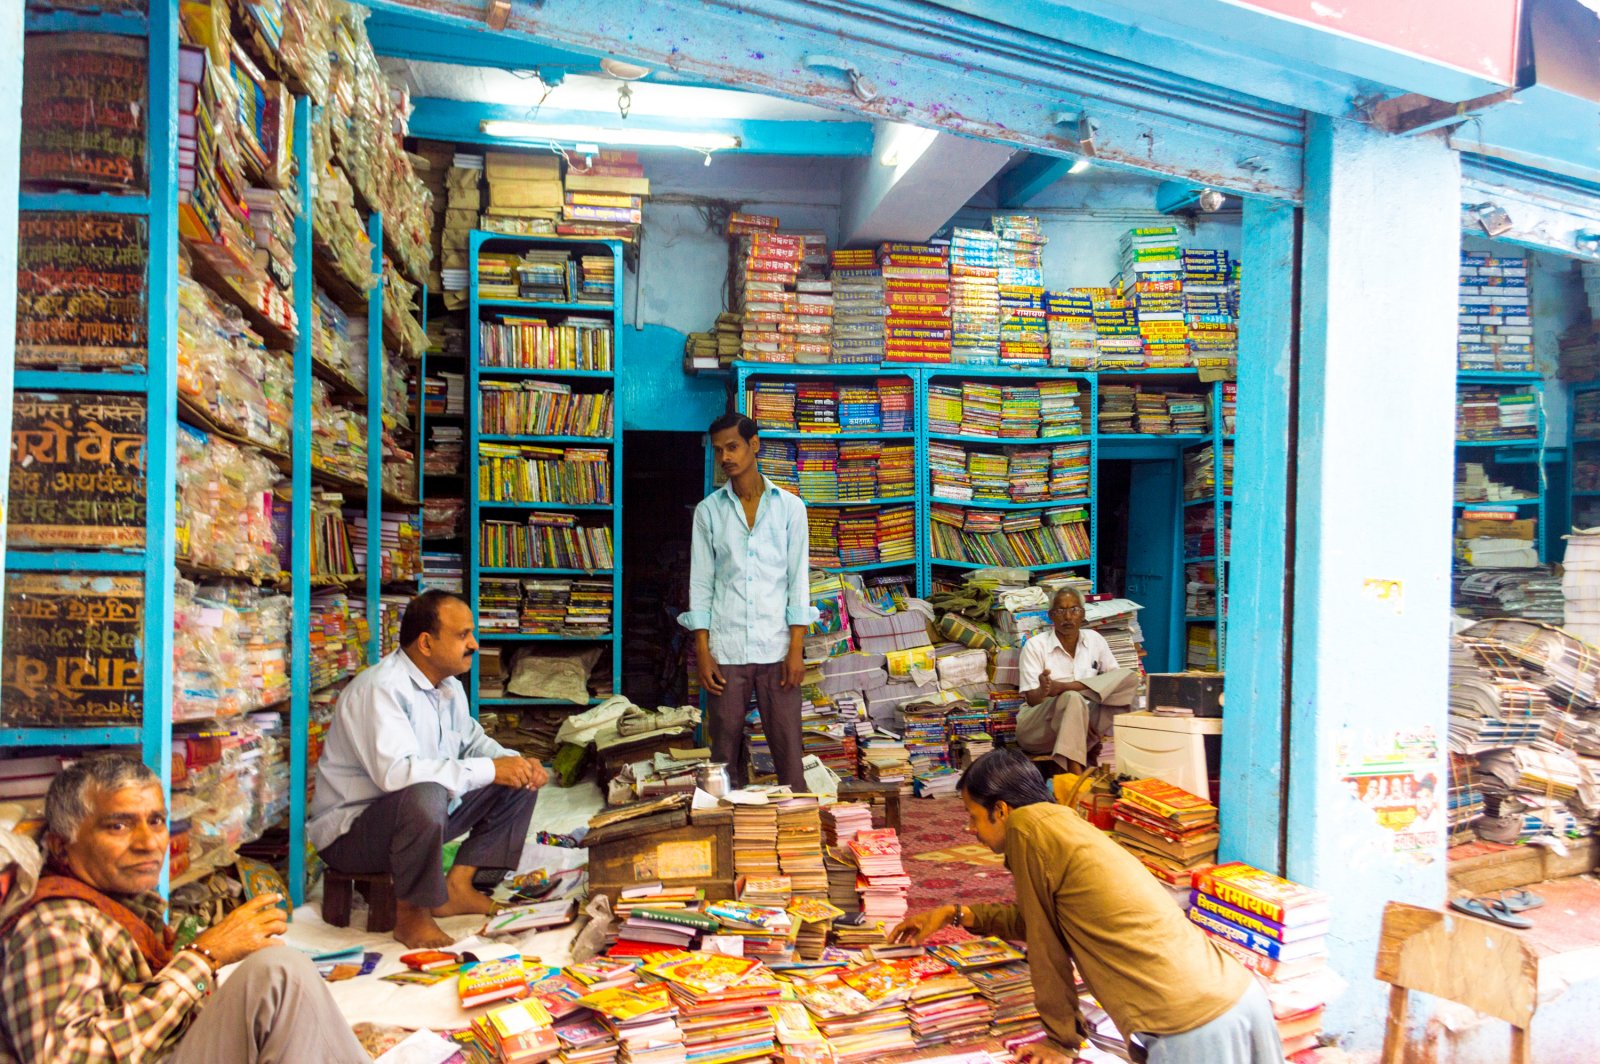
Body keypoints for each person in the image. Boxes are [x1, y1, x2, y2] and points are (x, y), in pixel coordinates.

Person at [891, 749, 1281, 1064]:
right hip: (1236, 996)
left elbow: (1045, 947)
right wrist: (954, 914)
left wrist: (1061, 1040)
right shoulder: (1060, 822)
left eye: (973, 817)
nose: (970, 830)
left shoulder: (1027, 830)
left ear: (1002, 810)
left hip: (1189, 1022)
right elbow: (1041, 917)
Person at [0, 754, 368, 1063]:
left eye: (156, 821)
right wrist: (204, 956)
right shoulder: (55, 924)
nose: (148, 843)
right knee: (279, 974)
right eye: (118, 826)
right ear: (61, 846)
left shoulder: (114, 904)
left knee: (290, 1002)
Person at [309, 589, 547, 949]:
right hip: (352, 836)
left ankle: (458, 886)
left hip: (417, 820)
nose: (474, 644)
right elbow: (397, 774)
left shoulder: (447, 686)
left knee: (517, 781)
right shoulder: (381, 689)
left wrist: (516, 763)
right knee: (426, 791)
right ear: (425, 643)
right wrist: (490, 769)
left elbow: (472, 740)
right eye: (463, 635)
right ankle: (412, 916)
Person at [679, 412, 817, 791]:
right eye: (719, 450)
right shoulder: (709, 512)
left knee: (789, 751)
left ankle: (795, 818)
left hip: (777, 648)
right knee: (723, 752)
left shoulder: (790, 508)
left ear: (754, 445)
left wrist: (796, 649)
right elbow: (701, 584)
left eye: (733, 447)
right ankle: (726, 819)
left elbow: (797, 581)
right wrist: (703, 651)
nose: (725, 457)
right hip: (727, 649)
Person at [1016, 587, 1134, 771]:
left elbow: (1118, 681)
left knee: (1129, 678)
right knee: (1072, 698)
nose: (1068, 617)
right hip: (1040, 730)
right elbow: (1032, 700)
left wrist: (1063, 687)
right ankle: (1076, 775)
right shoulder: (1035, 646)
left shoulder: (1095, 640)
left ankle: (1065, 688)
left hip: (1085, 727)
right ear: (1051, 616)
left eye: (1074, 610)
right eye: (1060, 611)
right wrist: (1043, 691)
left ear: (1083, 614)